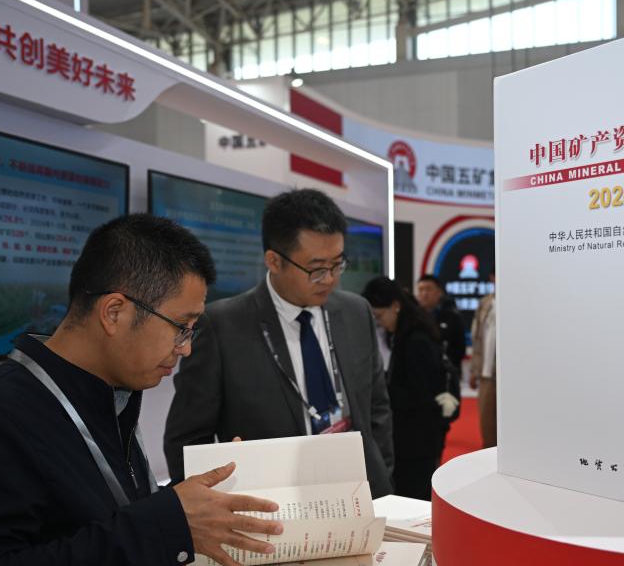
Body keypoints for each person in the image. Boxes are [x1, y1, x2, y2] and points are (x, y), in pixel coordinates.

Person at [0, 214, 284, 566]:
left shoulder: (112, 396)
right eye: (180, 327)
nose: (185, 348)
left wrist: (194, 503)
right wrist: (164, 523)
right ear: (114, 312)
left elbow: (102, 521)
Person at [164, 189, 394, 497]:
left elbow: (377, 409)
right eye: (316, 269)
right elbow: (188, 440)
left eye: (337, 264)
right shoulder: (223, 326)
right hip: (273, 506)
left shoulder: (355, 312)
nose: (329, 279)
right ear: (274, 261)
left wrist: (380, 478)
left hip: (361, 494)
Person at [363, 276, 446, 500]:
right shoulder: (403, 334)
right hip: (411, 436)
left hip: (417, 439)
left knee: (414, 497)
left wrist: (382, 394)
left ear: (395, 306)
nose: (379, 323)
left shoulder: (416, 340)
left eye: (379, 316)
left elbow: (422, 394)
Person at [416, 274, 467, 375]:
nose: (424, 294)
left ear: (439, 292)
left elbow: (459, 349)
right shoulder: (413, 318)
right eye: (421, 290)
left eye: (428, 289)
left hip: (446, 374)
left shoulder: (452, 317)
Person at [470, 271, 497, 448]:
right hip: (486, 374)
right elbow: (477, 338)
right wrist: (474, 370)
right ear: (492, 277)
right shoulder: (485, 303)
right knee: (487, 424)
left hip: (511, 376)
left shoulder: (519, 302)